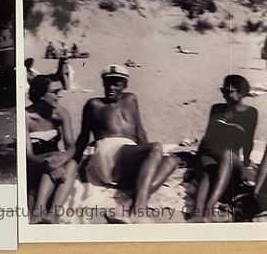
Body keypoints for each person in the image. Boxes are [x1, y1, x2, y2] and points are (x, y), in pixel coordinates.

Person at [75, 64, 176, 219]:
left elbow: (139, 130)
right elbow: (83, 137)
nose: (111, 87)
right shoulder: (94, 104)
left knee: (170, 162)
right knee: (156, 147)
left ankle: (131, 196)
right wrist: (74, 163)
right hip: (108, 153)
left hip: (128, 156)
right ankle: (139, 207)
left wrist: (151, 160)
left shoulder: (131, 99)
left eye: (117, 83)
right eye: (108, 83)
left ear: (125, 85)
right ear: (102, 83)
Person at [193, 75, 257, 221]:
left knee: (227, 155)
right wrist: (197, 158)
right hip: (211, 153)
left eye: (228, 91)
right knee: (208, 173)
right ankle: (197, 215)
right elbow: (207, 136)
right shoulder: (217, 109)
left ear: (241, 93)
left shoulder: (250, 113)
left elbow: (249, 141)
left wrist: (246, 163)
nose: (224, 95)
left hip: (231, 158)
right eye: (223, 90)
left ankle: (209, 207)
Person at [26, 74, 78, 223]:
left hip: (56, 162)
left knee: (73, 162)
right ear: (42, 95)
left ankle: (53, 214)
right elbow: (28, 155)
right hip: (34, 164)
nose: (58, 97)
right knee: (57, 158)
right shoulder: (26, 117)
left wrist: (61, 160)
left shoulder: (61, 113)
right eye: (55, 92)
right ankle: (38, 213)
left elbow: (71, 147)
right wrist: (48, 164)